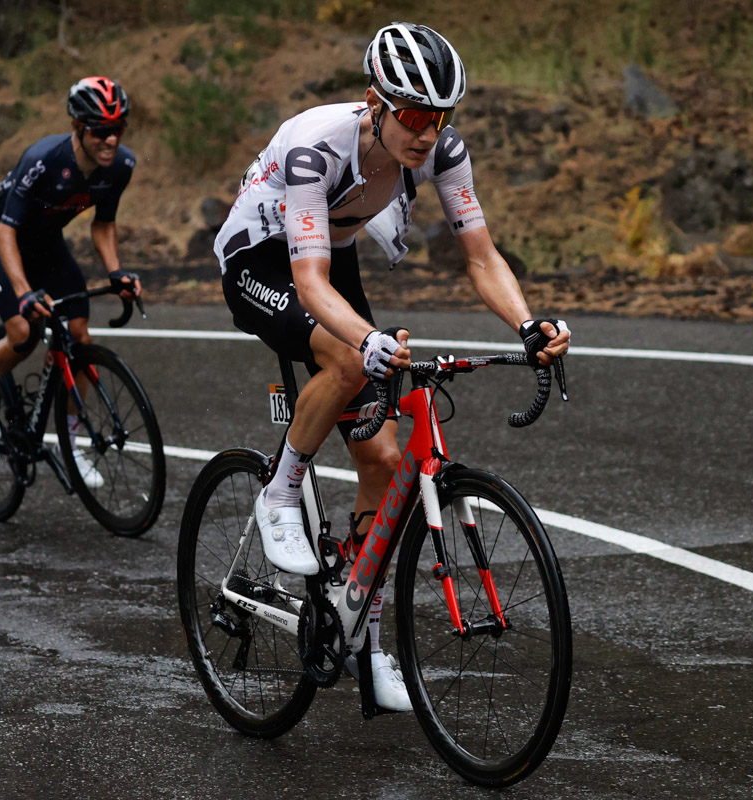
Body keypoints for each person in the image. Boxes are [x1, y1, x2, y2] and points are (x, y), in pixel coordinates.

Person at [214, 22, 571, 710]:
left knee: (381, 459)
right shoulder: (318, 144)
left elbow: (481, 256)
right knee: (349, 357)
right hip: (262, 260)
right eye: (412, 115)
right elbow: (311, 285)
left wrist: (527, 325)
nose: (426, 133)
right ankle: (280, 492)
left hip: (328, 258)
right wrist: (367, 340)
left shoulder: (442, 150)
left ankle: (365, 638)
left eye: (440, 117)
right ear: (374, 102)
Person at [0, 76, 141, 488]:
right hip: (1, 235)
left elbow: (104, 224)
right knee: (23, 332)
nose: (111, 140)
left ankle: (70, 442)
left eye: (118, 129)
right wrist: (24, 293)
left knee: (79, 337)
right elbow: (7, 232)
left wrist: (115, 272)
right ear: (79, 128)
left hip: (45, 243)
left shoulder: (120, 167)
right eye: (100, 130)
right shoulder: (43, 159)